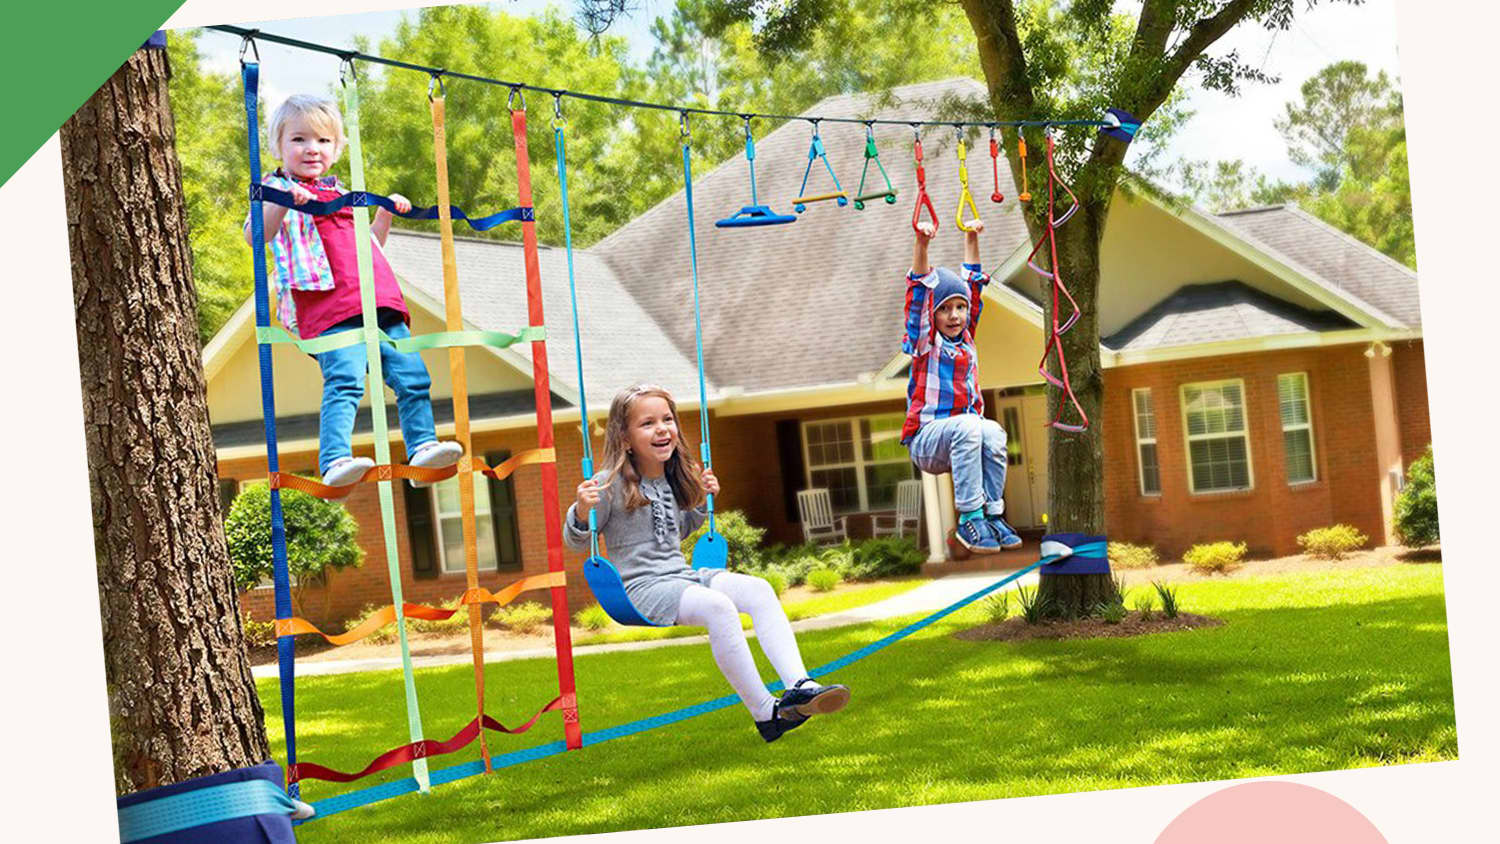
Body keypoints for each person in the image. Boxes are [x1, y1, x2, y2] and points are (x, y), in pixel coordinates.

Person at [565, 383, 849, 742]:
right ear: (624, 437)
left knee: (758, 590)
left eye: (667, 419)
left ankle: (800, 685)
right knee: (718, 607)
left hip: (681, 576)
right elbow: (575, 541)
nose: (662, 428)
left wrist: (701, 503)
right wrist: (581, 510)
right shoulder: (606, 484)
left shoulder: (670, 478)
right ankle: (766, 712)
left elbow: (676, 531)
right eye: (648, 423)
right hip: (642, 588)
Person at [243, 94, 461, 494]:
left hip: (377, 301)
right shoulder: (276, 187)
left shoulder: (342, 193)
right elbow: (256, 235)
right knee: (344, 378)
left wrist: (384, 215)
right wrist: (284, 203)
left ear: (337, 147)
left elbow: (370, 246)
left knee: (413, 376)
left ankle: (422, 444)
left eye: (323, 141)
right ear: (280, 145)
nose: (312, 149)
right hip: (327, 307)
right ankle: (335, 459)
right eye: (299, 140)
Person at [901, 218, 1023, 553]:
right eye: (945, 310)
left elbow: (973, 283)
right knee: (971, 425)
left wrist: (971, 237)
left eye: (960, 308)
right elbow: (918, 296)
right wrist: (922, 245)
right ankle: (969, 517)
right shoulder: (925, 342)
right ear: (933, 315)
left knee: (994, 432)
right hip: (926, 441)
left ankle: (993, 516)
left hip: (961, 438)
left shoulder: (967, 338)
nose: (954, 316)